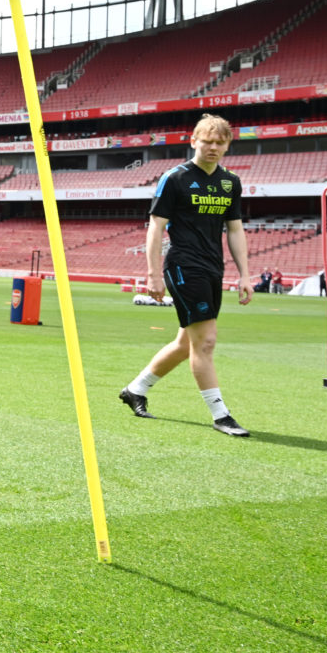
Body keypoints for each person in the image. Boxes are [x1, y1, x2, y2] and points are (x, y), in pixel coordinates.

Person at [119, 114, 254, 437]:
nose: (213, 147)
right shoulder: (175, 178)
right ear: (193, 141)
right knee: (205, 341)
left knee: (185, 343)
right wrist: (153, 274)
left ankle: (135, 390)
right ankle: (221, 415)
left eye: (220, 143)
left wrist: (246, 275)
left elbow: (235, 230)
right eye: (207, 141)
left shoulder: (230, 182)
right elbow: (156, 227)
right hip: (182, 266)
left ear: (227, 146)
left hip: (213, 267)